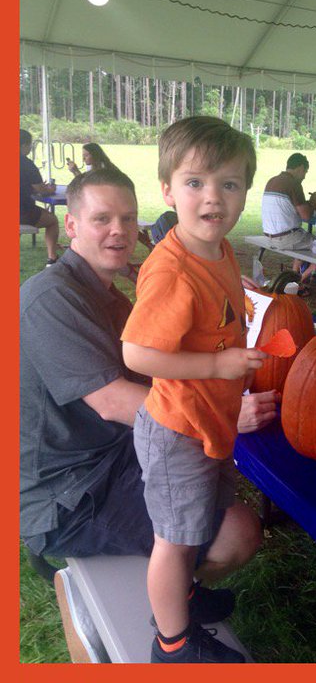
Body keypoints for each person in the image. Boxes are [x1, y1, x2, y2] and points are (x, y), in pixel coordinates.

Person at [20, 165, 274, 656]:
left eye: (128, 218)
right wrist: (214, 413)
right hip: (69, 492)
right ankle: (173, 639)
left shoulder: (110, 293)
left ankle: (182, 591)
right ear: (70, 225)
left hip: (113, 456)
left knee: (213, 492)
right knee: (237, 531)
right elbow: (114, 400)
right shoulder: (47, 300)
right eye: (101, 219)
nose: (119, 230)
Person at [120, 117, 265, 663]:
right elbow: (135, 353)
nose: (213, 197)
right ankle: (172, 645)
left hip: (208, 424)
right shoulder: (172, 270)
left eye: (229, 184)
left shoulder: (220, 250)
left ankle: (184, 599)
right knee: (175, 541)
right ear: (167, 190)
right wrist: (218, 363)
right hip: (176, 430)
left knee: (199, 523)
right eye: (195, 182)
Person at [260, 152, 315, 270]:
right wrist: (313, 202)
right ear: (300, 168)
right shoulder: (293, 183)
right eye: (305, 172)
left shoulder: (272, 181)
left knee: (303, 238)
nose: (304, 176)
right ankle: (312, 275)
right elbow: (306, 216)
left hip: (269, 236)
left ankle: (295, 274)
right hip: (285, 238)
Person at [20, 128, 61, 264]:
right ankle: (52, 257)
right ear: (24, 145)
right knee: (52, 220)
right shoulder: (26, 163)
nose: (31, 148)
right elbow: (41, 190)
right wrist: (50, 189)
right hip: (22, 211)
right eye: (30, 145)